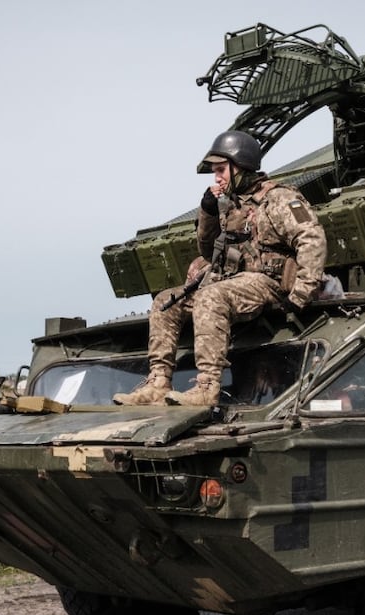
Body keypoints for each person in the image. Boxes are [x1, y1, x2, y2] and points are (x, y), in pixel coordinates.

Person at [113, 130, 328, 407]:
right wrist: (208, 211)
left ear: (241, 166)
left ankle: (207, 386)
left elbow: (311, 237)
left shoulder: (279, 199)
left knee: (210, 297)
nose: (217, 178)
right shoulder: (231, 204)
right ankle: (158, 382)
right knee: (165, 302)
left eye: (221, 170)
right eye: (214, 172)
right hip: (234, 281)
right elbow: (207, 251)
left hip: (268, 282)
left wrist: (301, 293)